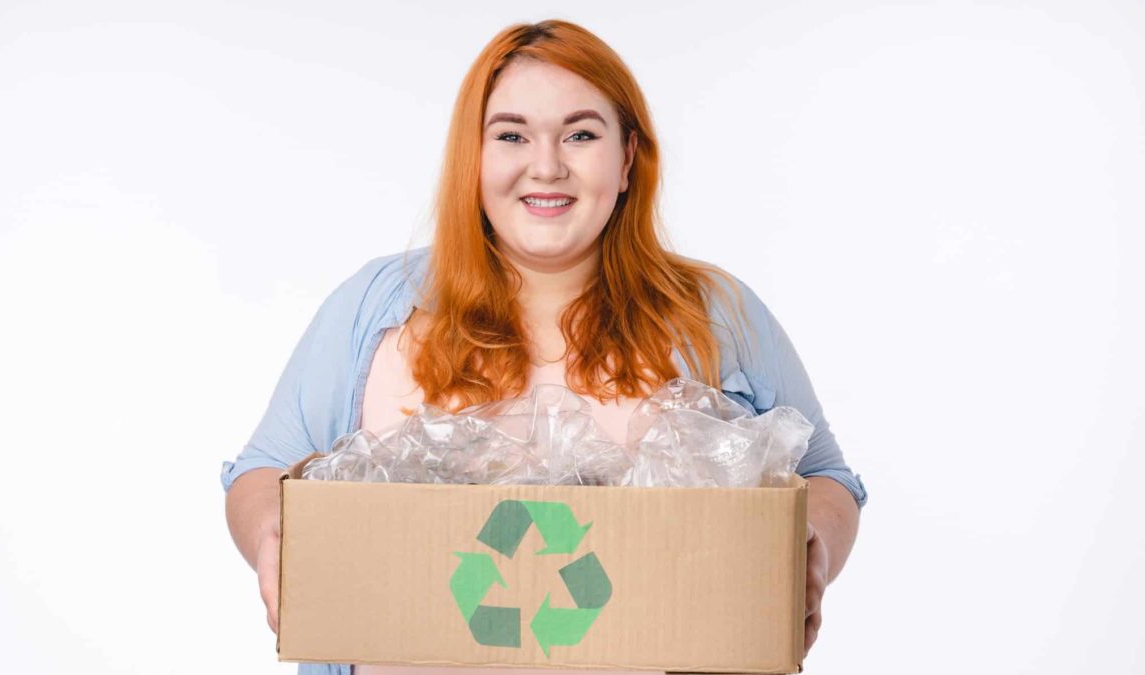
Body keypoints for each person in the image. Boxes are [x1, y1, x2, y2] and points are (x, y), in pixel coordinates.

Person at [222, 19, 867, 675]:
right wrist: (275, 538)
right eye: (511, 135)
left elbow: (826, 479)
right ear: (473, 159)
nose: (547, 165)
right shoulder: (374, 307)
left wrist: (805, 547)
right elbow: (264, 468)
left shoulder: (713, 314)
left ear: (627, 159)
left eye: (581, 134)